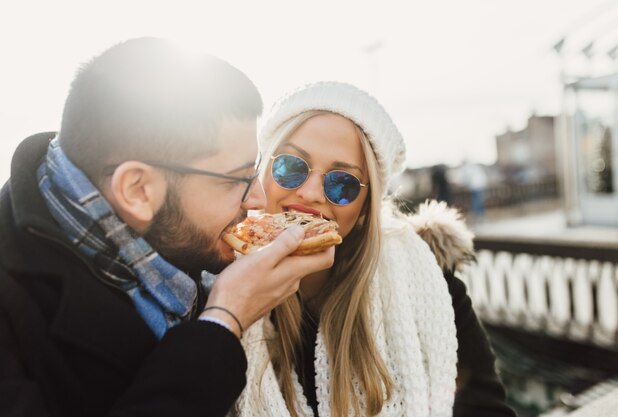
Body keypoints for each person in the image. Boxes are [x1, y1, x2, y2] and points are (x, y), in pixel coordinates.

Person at [0, 38, 334, 417]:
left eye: (255, 169)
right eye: (234, 180)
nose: (257, 199)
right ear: (138, 190)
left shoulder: (172, 243)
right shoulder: (13, 316)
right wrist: (224, 322)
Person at [230, 82, 517, 417]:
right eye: (291, 167)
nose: (310, 193)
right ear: (263, 172)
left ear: (366, 207)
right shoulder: (216, 282)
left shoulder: (428, 285)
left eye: (341, 183)